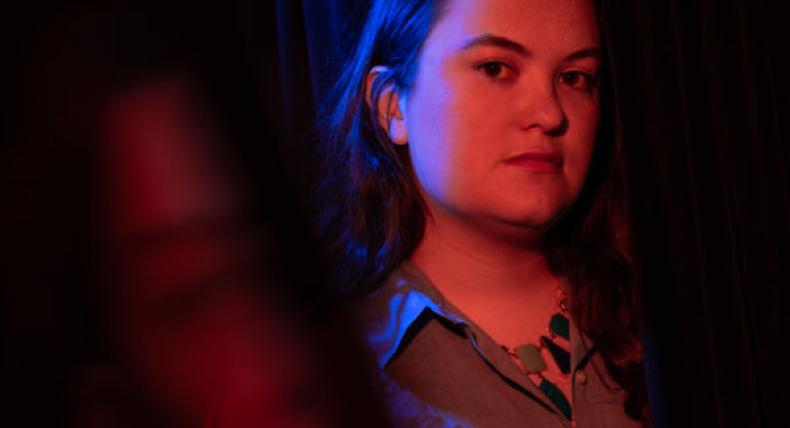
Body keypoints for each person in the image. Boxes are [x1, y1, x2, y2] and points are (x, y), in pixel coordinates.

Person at [316, 0, 649, 426]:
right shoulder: (327, 367)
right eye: (495, 68)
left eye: (574, 77)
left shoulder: (675, 315)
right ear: (392, 106)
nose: (549, 113)